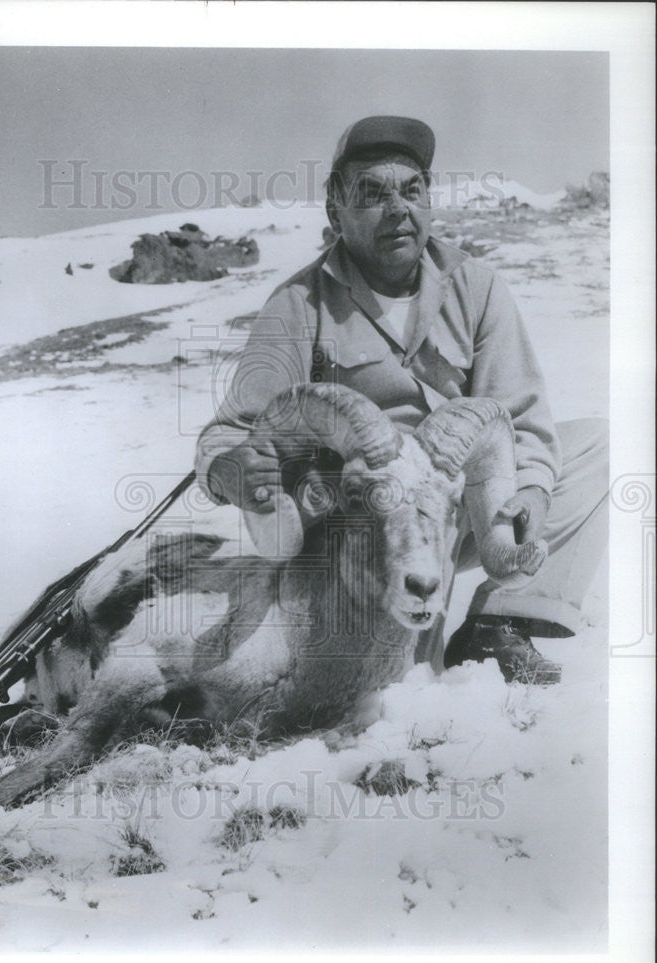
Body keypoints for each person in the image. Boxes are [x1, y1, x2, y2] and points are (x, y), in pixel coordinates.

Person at [194, 116, 608, 683]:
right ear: (335, 212)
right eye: (372, 193)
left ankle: (501, 621)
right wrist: (229, 470)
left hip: (459, 502)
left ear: (429, 202)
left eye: (411, 190)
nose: (397, 208)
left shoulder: (476, 287)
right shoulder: (297, 303)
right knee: (401, 692)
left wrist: (531, 492)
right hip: (362, 520)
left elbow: (522, 419)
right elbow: (232, 432)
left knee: (597, 446)